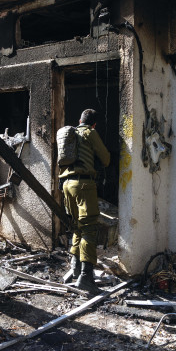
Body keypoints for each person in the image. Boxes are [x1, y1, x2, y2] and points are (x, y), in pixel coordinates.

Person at [59, 108, 110, 294]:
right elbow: (105, 158)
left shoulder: (71, 133)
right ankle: (86, 277)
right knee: (89, 228)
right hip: (83, 185)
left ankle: (75, 269)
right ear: (93, 123)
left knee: (77, 227)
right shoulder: (90, 132)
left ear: (79, 119)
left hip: (66, 185)